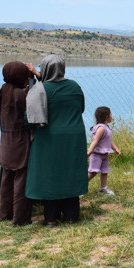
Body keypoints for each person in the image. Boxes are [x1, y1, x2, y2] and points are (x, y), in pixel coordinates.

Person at [25, 54, 88, 227]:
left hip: (49, 137)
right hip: (74, 136)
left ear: (46, 69)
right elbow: (81, 108)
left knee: (50, 175)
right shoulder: (74, 86)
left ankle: (51, 218)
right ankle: (71, 216)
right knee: (70, 173)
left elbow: (30, 119)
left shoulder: (40, 89)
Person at [0, 61, 34, 226]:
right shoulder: (21, 94)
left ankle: (5, 213)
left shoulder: (3, 91)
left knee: (6, 179)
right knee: (21, 180)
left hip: (6, 141)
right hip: (20, 141)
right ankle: (20, 218)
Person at [87, 106, 121, 195]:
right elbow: (95, 141)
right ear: (106, 116)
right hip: (97, 154)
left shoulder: (106, 127)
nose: (112, 116)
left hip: (105, 154)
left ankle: (103, 187)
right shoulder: (101, 128)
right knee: (93, 172)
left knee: (104, 171)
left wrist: (116, 148)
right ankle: (79, 186)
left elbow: (108, 140)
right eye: (110, 114)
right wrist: (90, 151)